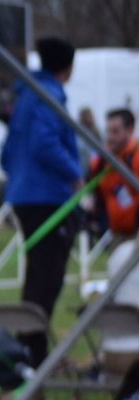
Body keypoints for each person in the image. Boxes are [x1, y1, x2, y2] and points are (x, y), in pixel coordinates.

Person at [0, 36, 80, 366]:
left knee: (38, 273)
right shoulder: (49, 95)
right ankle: (31, 350)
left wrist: (19, 177)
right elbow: (44, 144)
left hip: (24, 194)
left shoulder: (25, 95)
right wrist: (75, 173)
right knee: (47, 276)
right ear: (67, 68)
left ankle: (29, 346)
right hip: (48, 197)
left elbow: (7, 153)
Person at [88, 108, 139, 372]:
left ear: (130, 131)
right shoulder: (103, 161)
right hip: (117, 236)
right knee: (119, 294)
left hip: (136, 236)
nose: (111, 137)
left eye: (117, 131)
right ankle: (118, 353)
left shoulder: (136, 158)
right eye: (108, 131)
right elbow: (93, 190)